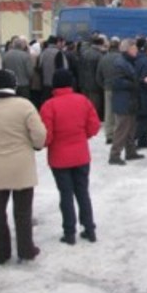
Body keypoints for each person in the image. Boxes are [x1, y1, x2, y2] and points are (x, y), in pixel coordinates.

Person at [0, 69, 46, 265]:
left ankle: (0, 253)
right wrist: (35, 145)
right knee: (23, 211)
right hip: (21, 164)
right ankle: (26, 249)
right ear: (13, 84)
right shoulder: (24, 106)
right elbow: (39, 134)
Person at [40, 69, 101, 245]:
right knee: (83, 192)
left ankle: (69, 232)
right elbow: (94, 126)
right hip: (81, 154)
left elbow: (47, 135)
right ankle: (89, 229)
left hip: (59, 157)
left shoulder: (49, 106)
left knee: (65, 194)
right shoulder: (83, 101)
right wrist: (83, 136)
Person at [109, 39, 145, 165]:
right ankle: (115, 154)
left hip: (130, 100)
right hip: (124, 101)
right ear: (127, 49)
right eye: (134, 48)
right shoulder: (120, 63)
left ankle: (130, 151)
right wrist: (134, 83)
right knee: (122, 129)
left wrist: (140, 81)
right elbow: (117, 82)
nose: (137, 51)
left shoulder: (128, 62)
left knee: (130, 129)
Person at [96, 37, 121, 145]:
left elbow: (98, 75)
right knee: (118, 112)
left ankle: (109, 134)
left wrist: (103, 85)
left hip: (107, 88)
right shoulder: (121, 58)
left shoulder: (103, 58)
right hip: (119, 88)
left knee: (108, 112)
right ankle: (118, 133)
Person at [80, 36, 105, 117]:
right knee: (95, 106)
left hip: (84, 84)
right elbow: (101, 72)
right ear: (100, 44)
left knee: (85, 105)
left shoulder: (84, 53)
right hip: (95, 85)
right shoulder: (99, 55)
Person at [39, 35, 68, 104]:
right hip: (56, 84)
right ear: (56, 43)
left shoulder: (43, 52)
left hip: (45, 83)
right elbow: (63, 68)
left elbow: (40, 67)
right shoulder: (58, 53)